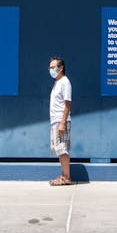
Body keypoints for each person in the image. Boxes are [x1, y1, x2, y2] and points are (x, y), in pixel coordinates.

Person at [48, 56, 73, 186]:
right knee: (59, 149)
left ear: (61, 68)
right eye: (50, 67)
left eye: (53, 67)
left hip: (60, 121)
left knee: (62, 149)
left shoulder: (65, 82)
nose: (50, 69)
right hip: (56, 122)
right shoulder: (57, 83)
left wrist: (63, 122)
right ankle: (63, 176)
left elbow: (68, 103)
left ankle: (66, 177)